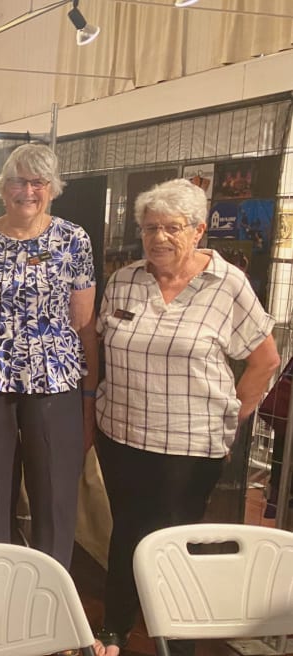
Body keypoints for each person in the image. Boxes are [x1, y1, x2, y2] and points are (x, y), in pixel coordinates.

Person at [95, 178, 278, 655]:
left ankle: (177, 641)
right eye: (150, 227)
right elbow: (100, 345)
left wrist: (232, 415)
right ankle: (114, 627)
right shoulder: (125, 280)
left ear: (199, 230)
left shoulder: (227, 284)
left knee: (175, 542)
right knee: (128, 532)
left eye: (172, 228)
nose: (158, 238)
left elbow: (265, 360)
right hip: (122, 434)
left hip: (190, 447)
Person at [0, 143, 97, 571]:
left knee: (54, 496)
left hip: (55, 380)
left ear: (52, 188)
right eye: (17, 180)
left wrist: (89, 397)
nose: (26, 191)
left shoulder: (73, 239)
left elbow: (83, 321)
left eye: (37, 182)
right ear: (2, 187)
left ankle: (51, 594)